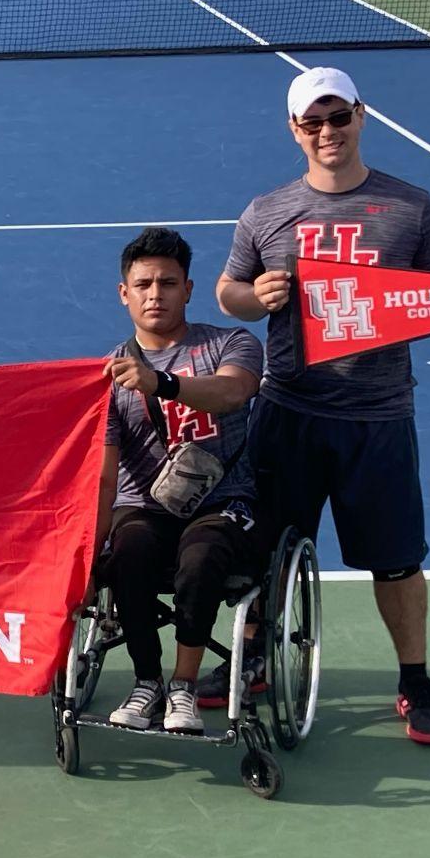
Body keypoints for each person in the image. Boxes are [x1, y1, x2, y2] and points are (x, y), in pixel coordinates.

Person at [216, 68, 430, 746]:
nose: (327, 131)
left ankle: (415, 680)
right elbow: (228, 292)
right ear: (294, 130)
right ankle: (253, 662)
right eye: (313, 121)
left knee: (396, 561)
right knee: (264, 551)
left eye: (339, 117)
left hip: (378, 417)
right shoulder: (266, 212)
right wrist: (256, 296)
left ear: (362, 116)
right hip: (289, 411)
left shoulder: (411, 208)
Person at [96, 228, 265, 735]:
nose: (156, 294)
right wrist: (87, 551)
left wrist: (161, 383)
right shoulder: (108, 376)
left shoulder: (231, 343)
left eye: (168, 283)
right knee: (128, 552)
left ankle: (183, 686)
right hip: (144, 506)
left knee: (201, 556)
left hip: (222, 502)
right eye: (143, 284)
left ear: (188, 290)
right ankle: (146, 681)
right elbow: (105, 474)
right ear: (124, 293)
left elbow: (232, 393)